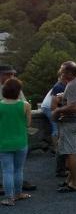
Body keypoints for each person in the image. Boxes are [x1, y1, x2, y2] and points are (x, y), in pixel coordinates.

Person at [51, 61, 76, 192]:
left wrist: (58, 110)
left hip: (72, 123)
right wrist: (65, 97)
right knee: (72, 151)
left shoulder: (72, 84)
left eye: (62, 70)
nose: (60, 73)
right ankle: (69, 180)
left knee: (70, 153)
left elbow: (75, 106)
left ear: (68, 72)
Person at [0, 64, 36, 193]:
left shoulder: (15, 88)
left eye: (13, 74)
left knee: (10, 167)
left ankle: (12, 188)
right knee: (12, 167)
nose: (12, 77)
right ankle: (15, 188)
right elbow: (26, 111)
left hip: (7, 135)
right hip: (15, 135)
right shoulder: (15, 88)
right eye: (8, 74)